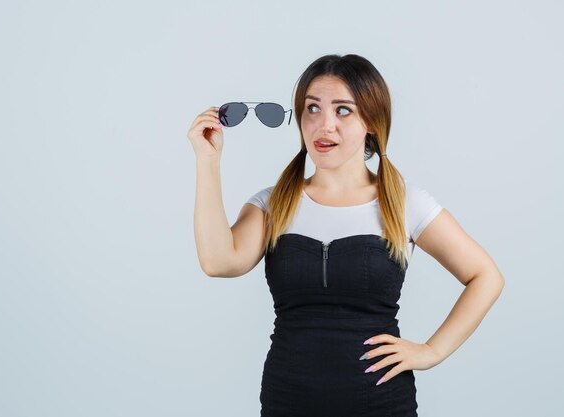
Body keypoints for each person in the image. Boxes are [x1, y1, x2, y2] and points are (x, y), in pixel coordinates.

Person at [188, 53, 505, 417]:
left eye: (343, 110)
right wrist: (207, 162)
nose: (325, 126)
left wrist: (432, 351)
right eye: (312, 109)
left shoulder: (404, 203)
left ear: (371, 120)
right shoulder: (272, 204)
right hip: (287, 401)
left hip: (381, 404)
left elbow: (486, 277)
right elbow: (217, 261)